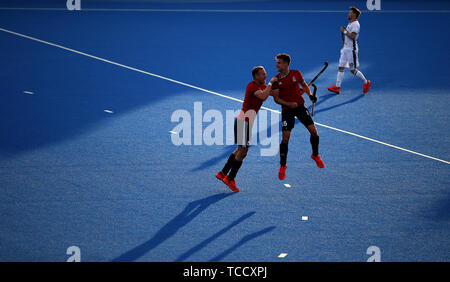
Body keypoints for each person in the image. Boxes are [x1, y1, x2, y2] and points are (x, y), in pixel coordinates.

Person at [216, 66, 277, 192]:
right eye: (263, 74)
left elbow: (274, 93)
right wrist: (271, 83)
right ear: (256, 76)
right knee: (243, 151)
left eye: (265, 74)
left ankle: (223, 173)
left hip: (244, 122)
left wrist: (295, 92)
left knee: (240, 149)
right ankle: (230, 178)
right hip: (243, 122)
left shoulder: (262, 86)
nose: (265, 76)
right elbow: (263, 96)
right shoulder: (252, 87)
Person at [271, 54, 325, 181]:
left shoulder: (296, 73)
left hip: (300, 107)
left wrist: (310, 95)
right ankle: (283, 165)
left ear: (286, 64)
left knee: (314, 133)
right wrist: (289, 104)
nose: (277, 65)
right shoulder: (275, 80)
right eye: (277, 62)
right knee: (285, 138)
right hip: (287, 110)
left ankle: (315, 155)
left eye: (279, 62)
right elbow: (276, 99)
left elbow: (304, 85)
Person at [328, 6, 371, 94]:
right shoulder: (350, 23)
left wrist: (344, 31)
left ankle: (366, 82)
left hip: (351, 50)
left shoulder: (356, 24)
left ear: (354, 15)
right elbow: (348, 34)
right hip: (345, 49)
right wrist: (344, 38)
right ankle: (337, 87)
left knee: (352, 70)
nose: (348, 14)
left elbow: (353, 36)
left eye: (350, 13)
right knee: (340, 66)